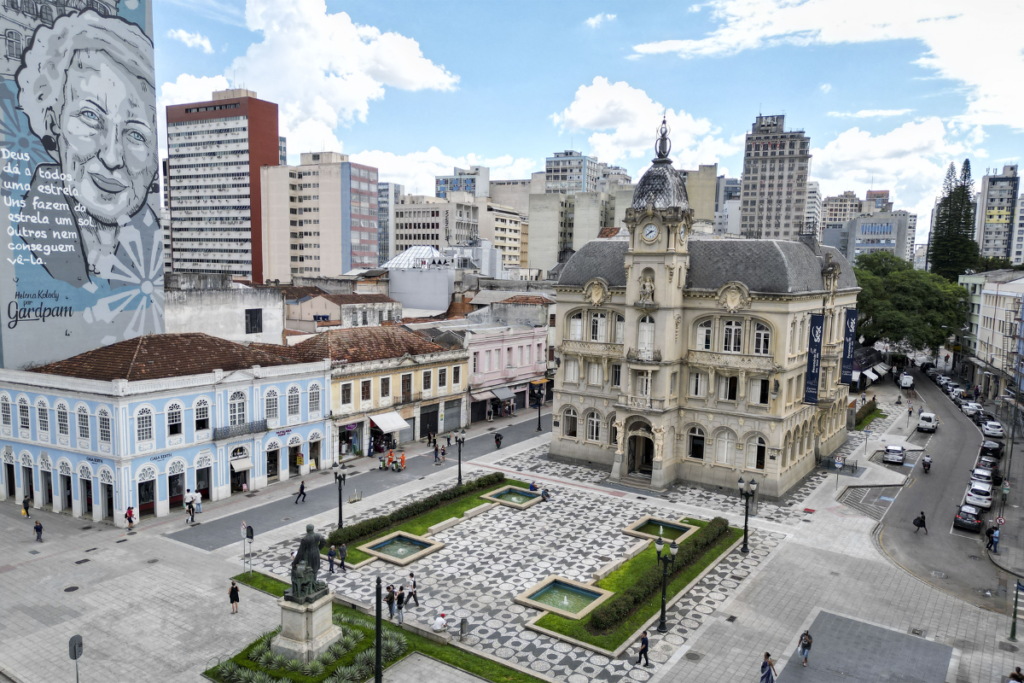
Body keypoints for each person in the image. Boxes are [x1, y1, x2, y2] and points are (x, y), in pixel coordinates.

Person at [13, 11, 163, 342]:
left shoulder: (148, 250)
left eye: (136, 134)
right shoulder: (27, 233)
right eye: (90, 116)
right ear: (53, 120)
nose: (112, 157)